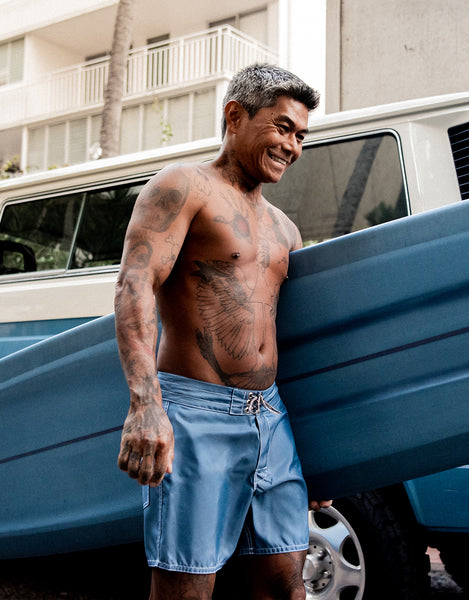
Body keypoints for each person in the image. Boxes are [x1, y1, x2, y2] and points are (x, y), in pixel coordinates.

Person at [115, 63, 330, 600]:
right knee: (188, 586)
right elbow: (135, 285)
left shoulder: (285, 228)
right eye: (282, 127)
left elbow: (299, 340)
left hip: (272, 420)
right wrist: (146, 404)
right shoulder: (183, 186)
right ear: (235, 115)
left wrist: (326, 452)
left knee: (286, 585)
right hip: (197, 414)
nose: (292, 146)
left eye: (301, 136)